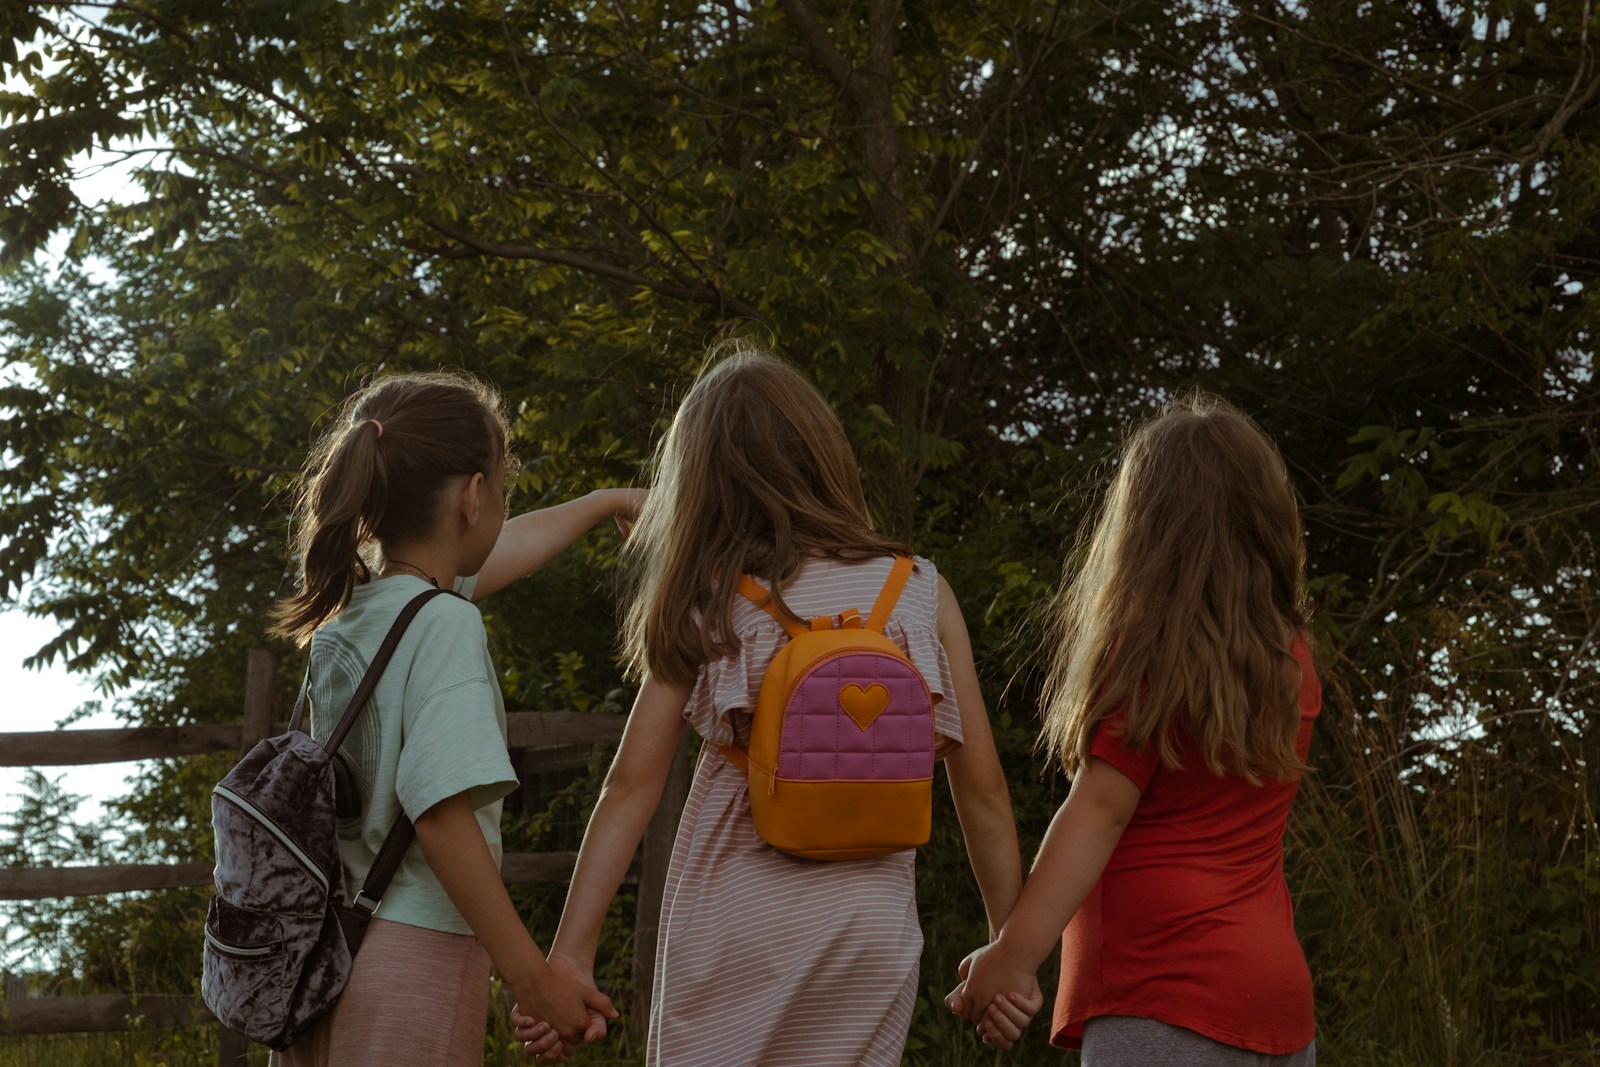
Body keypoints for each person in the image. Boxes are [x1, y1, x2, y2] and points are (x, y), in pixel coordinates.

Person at [509, 346, 1027, 1066]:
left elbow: (630, 787)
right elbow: (986, 792)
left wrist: (571, 954)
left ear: (699, 480)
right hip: (868, 931)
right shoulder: (917, 589)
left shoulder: (711, 598)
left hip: (735, 928)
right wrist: (1011, 949)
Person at [266, 370, 637, 1066]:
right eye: (502, 488)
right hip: (413, 963)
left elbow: (503, 549)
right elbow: (439, 816)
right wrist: (534, 981)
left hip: (323, 959)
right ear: (473, 497)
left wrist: (603, 502)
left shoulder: (351, 617)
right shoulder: (445, 624)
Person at [948, 390, 1321, 1065]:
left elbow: (1099, 810)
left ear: (1144, 527)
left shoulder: (1150, 659)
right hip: (1278, 1004)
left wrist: (1012, 955)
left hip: (1165, 1000)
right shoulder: (1292, 660)